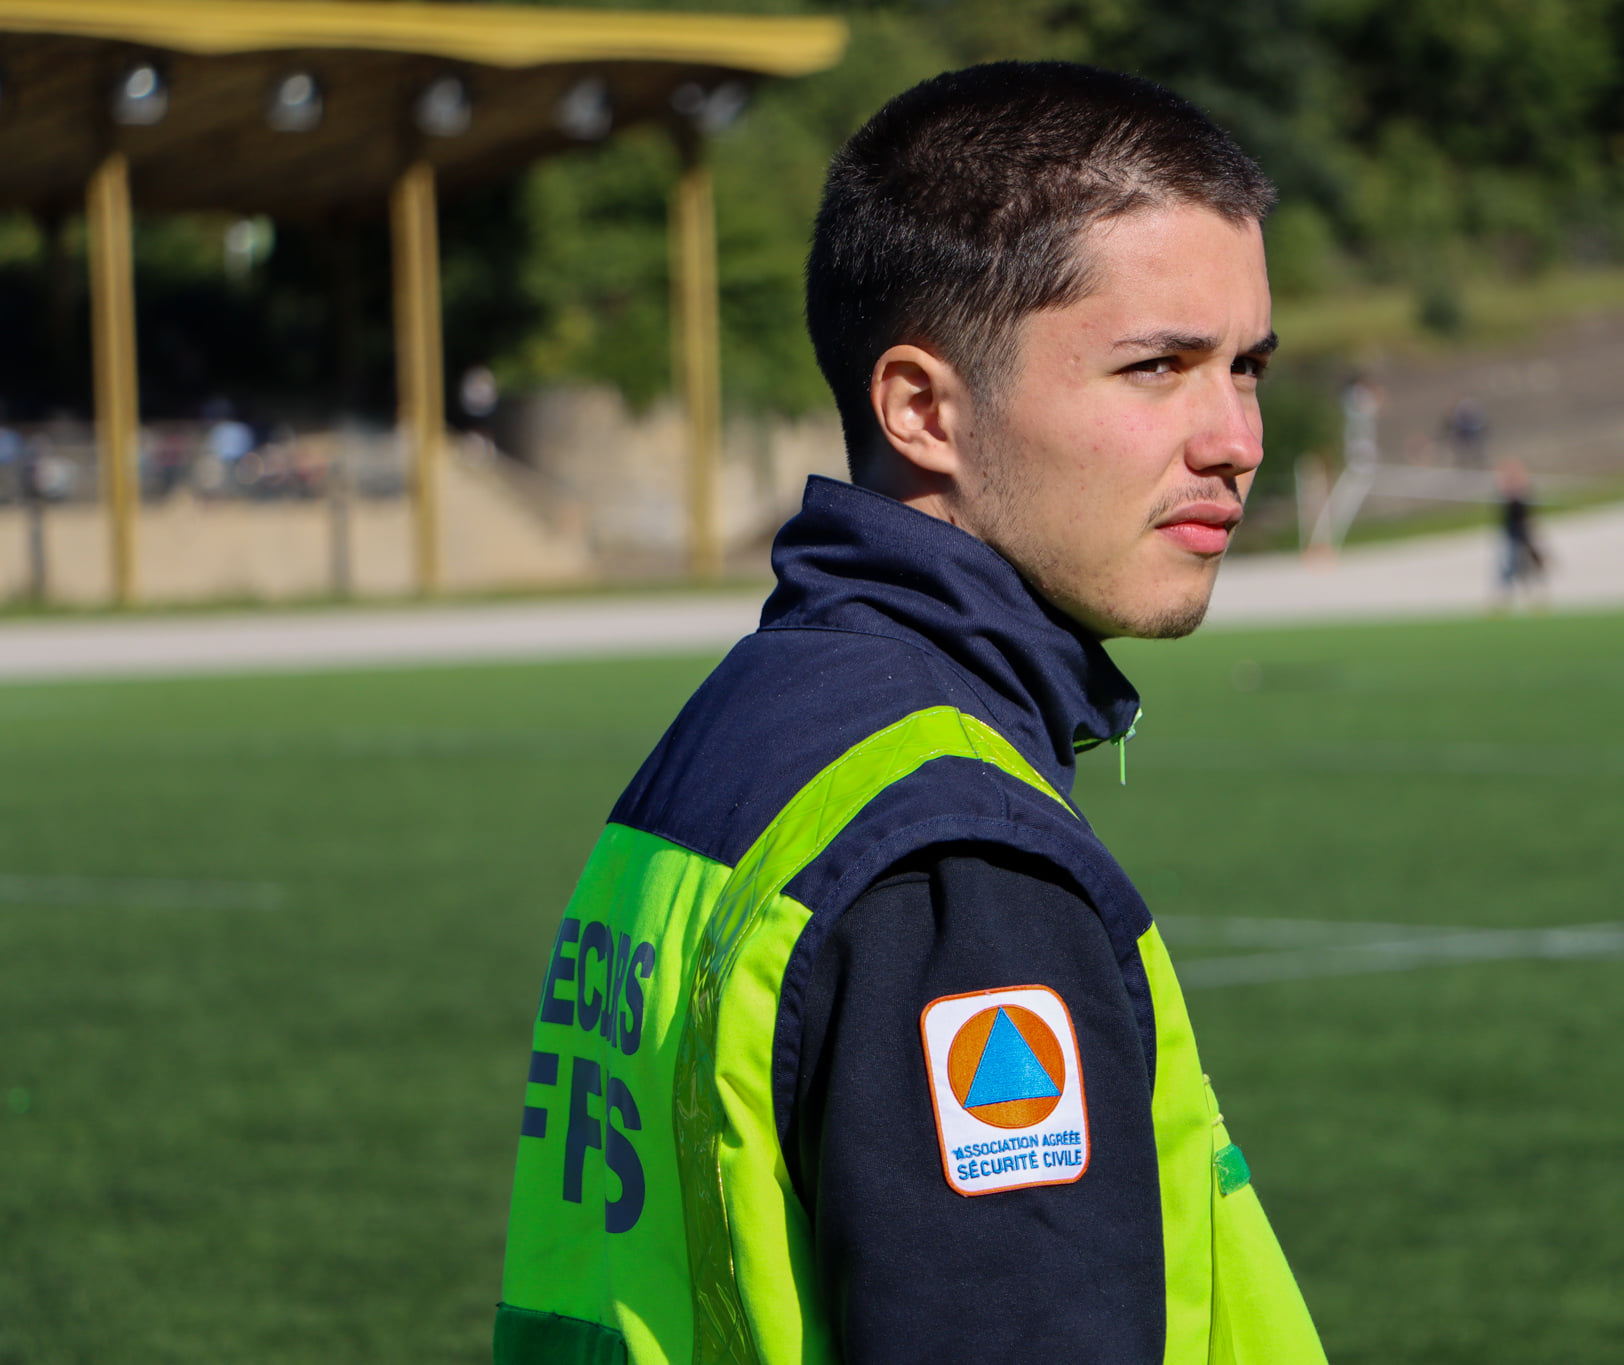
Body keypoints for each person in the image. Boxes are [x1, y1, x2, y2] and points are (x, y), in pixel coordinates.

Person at [494, 63, 1327, 1365]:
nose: (1236, 437)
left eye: (1248, 368)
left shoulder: (754, 716)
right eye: (1158, 368)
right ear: (925, 408)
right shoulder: (955, 856)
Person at [1305, 371, 1380, 557]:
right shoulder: (1357, 396)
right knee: (1343, 499)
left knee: (1346, 497)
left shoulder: (1351, 399)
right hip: (1360, 453)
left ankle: (1326, 541)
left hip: (1361, 451)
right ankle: (1323, 542)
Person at [1494, 456, 1548, 611]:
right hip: (1511, 533)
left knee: (1529, 565)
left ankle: (1534, 596)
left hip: (1525, 533)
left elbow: (1530, 514)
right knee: (1509, 565)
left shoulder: (1525, 491)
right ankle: (1505, 597)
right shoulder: (1506, 493)